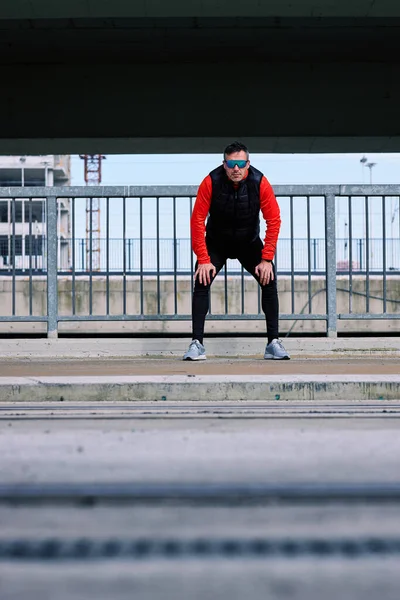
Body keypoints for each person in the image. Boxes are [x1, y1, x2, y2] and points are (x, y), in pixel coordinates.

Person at [183, 141, 289, 361]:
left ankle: (273, 343)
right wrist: (203, 258)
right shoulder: (210, 182)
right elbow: (197, 221)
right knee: (201, 281)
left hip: (247, 243)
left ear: (248, 164)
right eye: (231, 163)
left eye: (241, 163)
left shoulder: (260, 182)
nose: (236, 168)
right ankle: (196, 344)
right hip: (216, 243)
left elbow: (274, 220)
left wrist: (267, 258)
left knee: (269, 280)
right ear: (224, 165)